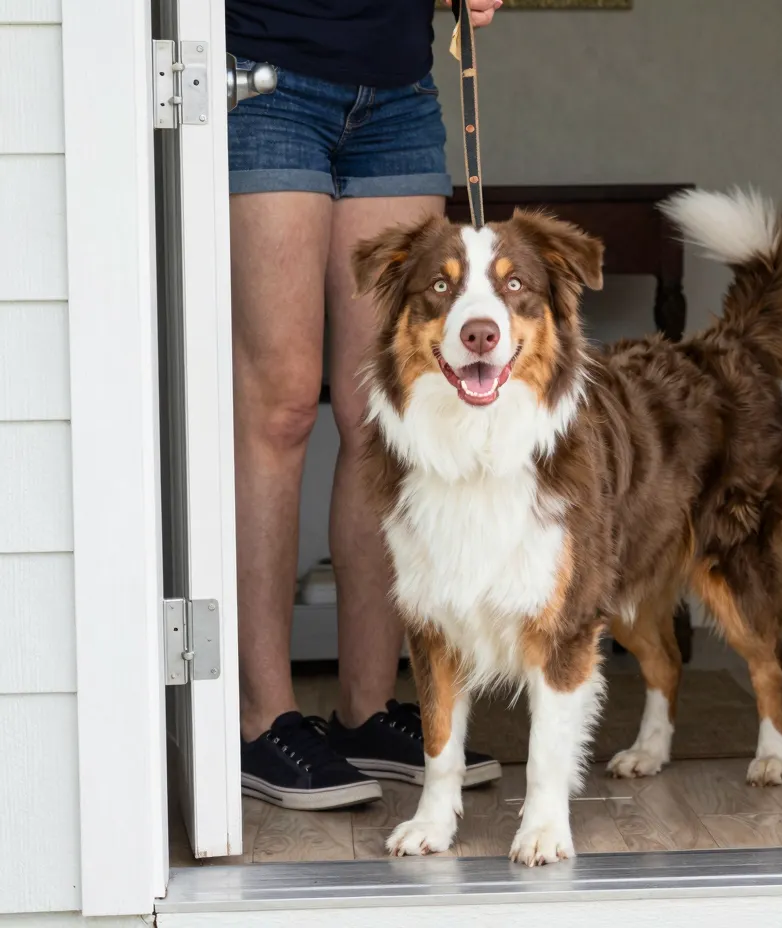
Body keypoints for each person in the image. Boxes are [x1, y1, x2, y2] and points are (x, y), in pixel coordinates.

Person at [226, 0, 504, 810]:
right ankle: (260, 717)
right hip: (265, 85)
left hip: (398, 94)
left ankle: (366, 710)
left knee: (389, 415)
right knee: (279, 405)